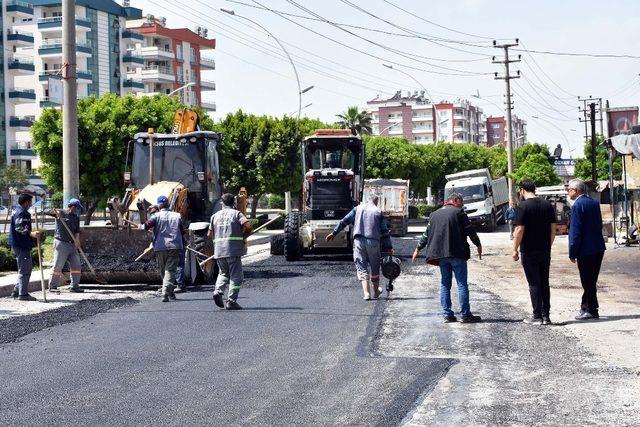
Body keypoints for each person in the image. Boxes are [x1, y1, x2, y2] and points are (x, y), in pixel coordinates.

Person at [412, 193, 482, 323]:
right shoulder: (459, 213)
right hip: (457, 255)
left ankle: (447, 314)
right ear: (455, 201)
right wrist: (478, 244)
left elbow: (426, 235)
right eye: (461, 202)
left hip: (441, 256)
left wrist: (418, 248)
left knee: (445, 284)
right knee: (462, 284)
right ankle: (465, 315)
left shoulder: (434, 214)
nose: (463, 205)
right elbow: (470, 231)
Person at [327, 195, 393, 300]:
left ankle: (366, 294)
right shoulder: (378, 211)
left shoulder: (357, 209)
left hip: (358, 241)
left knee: (361, 266)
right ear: (376, 201)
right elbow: (384, 232)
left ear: (368, 200)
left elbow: (344, 221)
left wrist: (334, 233)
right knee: (375, 267)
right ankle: (375, 292)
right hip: (373, 242)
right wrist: (389, 247)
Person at [512, 180, 557, 325]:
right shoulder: (547, 205)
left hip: (529, 250)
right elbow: (553, 229)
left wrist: (515, 249)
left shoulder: (522, 207)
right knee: (544, 282)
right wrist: (548, 245)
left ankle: (536, 315)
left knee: (534, 283)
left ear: (522, 190)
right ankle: (546, 316)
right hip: (544, 250)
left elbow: (519, 230)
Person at [567, 179, 606, 320]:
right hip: (598, 247)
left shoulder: (577, 206)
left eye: (569, 189)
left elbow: (575, 232)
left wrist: (572, 251)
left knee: (587, 281)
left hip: (585, 249)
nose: (568, 192)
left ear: (576, 190)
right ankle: (588, 307)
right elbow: (598, 224)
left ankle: (590, 309)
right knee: (591, 280)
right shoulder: (594, 203)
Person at [209, 193, 251, 310]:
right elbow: (248, 226)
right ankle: (231, 301)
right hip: (233, 250)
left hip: (219, 250)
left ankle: (218, 291)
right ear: (234, 203)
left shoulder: (214, 216)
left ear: (222, 203)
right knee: (236, 276)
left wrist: (217, 242)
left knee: (223, 273)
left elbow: (209, 234)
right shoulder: (237, 214)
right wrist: (243, 236)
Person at [142, 195, 186, 302]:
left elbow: (146, 226)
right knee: (168, 272)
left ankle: (165, 293)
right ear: (168, 204)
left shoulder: (155, 216)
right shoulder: (177, 216)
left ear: (159, 205)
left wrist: (142, 227)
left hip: (160, 247)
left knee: (165, 271)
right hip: (174, 246)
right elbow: (182, 230)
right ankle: (169, 292)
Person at [45, 198, 85, 293]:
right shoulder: (61, 213)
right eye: (77, 207)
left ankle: (74, 286)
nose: (78, 210)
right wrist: (55, 212)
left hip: (72, 244)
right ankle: (53, 286)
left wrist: (77, 240)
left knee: (76, 265)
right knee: (58, 266)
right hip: (61, 243)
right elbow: (45, 211)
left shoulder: (76, 217)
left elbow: (77, 231)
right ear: (73, 207)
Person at [9, 193, 40, 301]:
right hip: (21, 245)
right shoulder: (21, 212)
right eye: (30, 202)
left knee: (25, 268)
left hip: (20, 244)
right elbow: (19, 228)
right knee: (25, 270)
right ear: (26, 202)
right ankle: (23, 294)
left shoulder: (19, 211)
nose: (31, 204)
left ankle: (16, 291)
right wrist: (31, 234)